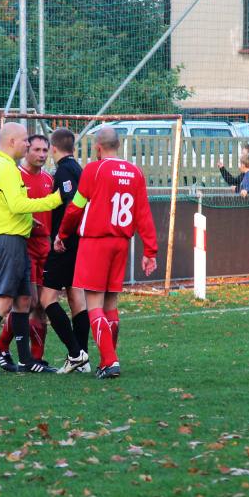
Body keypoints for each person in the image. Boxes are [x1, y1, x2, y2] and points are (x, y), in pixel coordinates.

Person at [55, 126, 158, 379]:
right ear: (118, 145)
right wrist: (150, 250)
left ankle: (110, 361)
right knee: (110, 303)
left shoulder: (95, 169)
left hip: (96, 242)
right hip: (121, 242)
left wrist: (62, 233)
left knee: (93, 304)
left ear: (98, 148)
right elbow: (143, 213)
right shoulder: (135, 172)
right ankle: (108, 359)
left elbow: (76, 207)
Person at [0, 122, 63, 375]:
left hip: (14, 237)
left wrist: (27, 220)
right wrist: (57, 199)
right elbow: (17, 204)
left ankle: (26, 360)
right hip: (7, 240)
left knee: (23, 299)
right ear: (11, 142)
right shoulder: (4, 168)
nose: (28, 145)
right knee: (4, 299)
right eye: (26, 140)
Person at [0, 134, 58, 370]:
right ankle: (0, 348)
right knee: (27, 302)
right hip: (23, 245)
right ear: (26, 150)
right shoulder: (14, 175)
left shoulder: (50, 179)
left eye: (45, 150)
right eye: (36, 149)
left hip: (45, 246)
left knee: (42, 305)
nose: (41, 154)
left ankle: (37, 359)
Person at [40, 128, 92, 375]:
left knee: (47, 298)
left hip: (65, 242)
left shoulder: (63, 171)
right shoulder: (79, 169)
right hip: (81, 242)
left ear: (53, 148)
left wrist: (61, 234)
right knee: (75, 297)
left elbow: (72, 203)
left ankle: (75, 353)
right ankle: (84, 358)